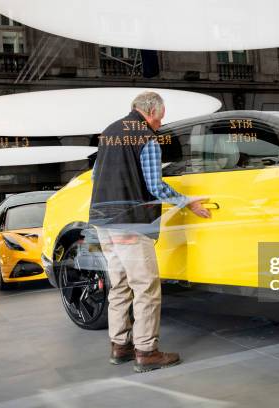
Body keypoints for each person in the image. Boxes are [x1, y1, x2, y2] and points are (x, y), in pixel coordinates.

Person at [89, 91, 211, 373]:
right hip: (131, 222)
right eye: (161, 117)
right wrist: (187, 201)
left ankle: (120, 346)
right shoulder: (147, 138)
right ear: (152, 112)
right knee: (145, 288)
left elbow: (96, 175)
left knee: (119, 285)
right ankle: (146, 351)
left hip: (102, 220)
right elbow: (155, 187)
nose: (160, 123)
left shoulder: (109, 132)